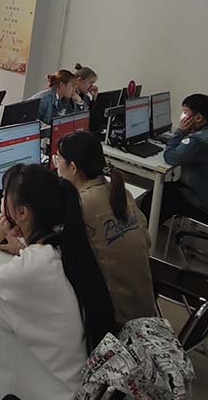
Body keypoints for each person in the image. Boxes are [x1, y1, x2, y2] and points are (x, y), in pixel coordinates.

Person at [0, 163, 118, 400]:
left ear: (22, 213)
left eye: (4, 196)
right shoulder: (67, 246)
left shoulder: (30, 270)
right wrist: (24, 247)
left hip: (35, 393)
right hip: (67, 383)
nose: (1, 201)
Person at [55, 130, 157, 324]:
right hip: (145, 311)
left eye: (58, 160)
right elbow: (147, 242)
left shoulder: (82, 204)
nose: (56, 166)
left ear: (73, 167)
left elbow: (54, 256)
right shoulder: (121, 193)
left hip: (117, 323)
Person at [139, 92, 208, 228]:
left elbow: (170, 156)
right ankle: (153, 225)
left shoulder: (200, 139)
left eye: (185, 113)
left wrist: (180, 131)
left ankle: (145, 233)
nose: (182, 117)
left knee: (154, 198)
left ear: (198, 118)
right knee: (169, 189)